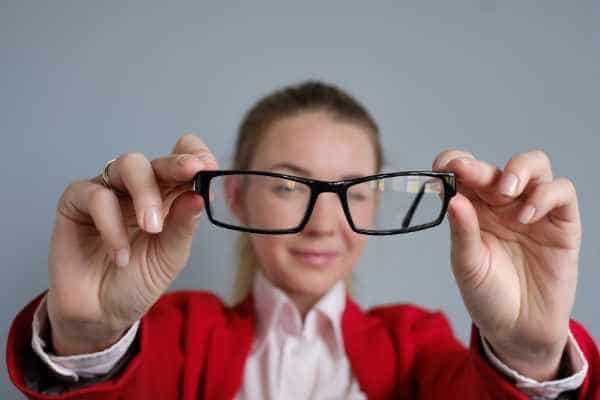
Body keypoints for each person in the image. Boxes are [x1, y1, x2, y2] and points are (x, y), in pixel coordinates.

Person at [6, 81, 599, 399]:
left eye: (355, 189)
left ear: (374, 202)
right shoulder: (176, 337)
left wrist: (527, 353)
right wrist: (88, 337)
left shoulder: (416, 347)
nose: (324, 223)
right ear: (234, 195)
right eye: (290, 185)